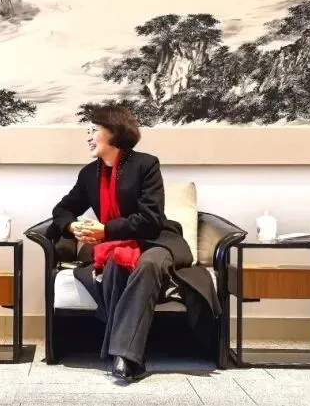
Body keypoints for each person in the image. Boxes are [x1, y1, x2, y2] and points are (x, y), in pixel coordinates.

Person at [50, 105, 218, 382]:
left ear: (114, 132)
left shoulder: (146, 165)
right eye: (88, 131)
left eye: (94, 130)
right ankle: (129, 359)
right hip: (116, 246)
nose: (88, 137)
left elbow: (151, 219)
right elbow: (62, 210)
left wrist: (105, 230)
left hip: (157, 240)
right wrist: (71, 226)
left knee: (148, 264)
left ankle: (124, 355)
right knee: (116, 265)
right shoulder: (89, 174)